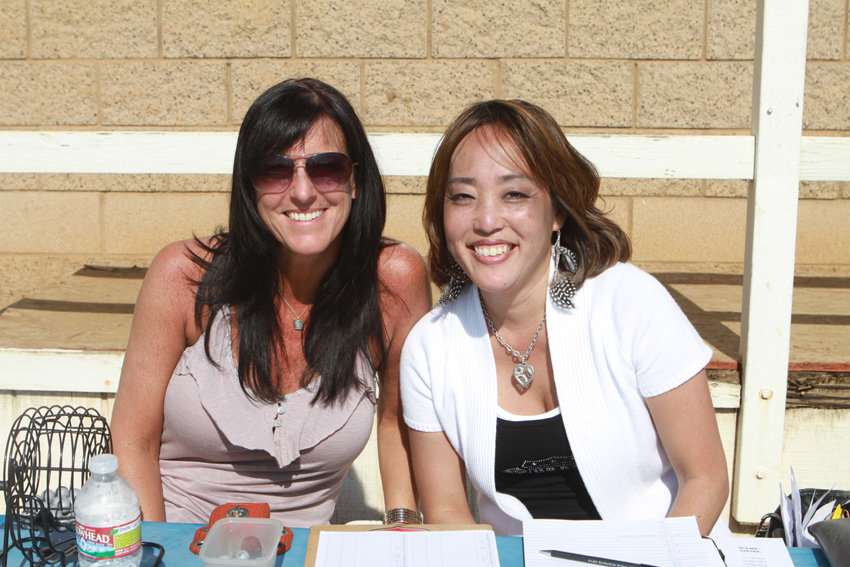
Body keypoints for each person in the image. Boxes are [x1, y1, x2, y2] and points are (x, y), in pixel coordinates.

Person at [400, 99, 729, 536]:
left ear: (557, 211)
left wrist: (658, 561)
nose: (486, 220)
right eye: (463, 197)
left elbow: (705, 480)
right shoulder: (429, 348)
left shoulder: (631, 303)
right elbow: (447, 514)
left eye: (514, 194)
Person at [111, 78, 430, 526]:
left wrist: (402, 526)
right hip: (174, 538)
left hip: (302, 550)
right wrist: (158, 549)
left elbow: (397, 420)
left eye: (327, 168)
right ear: (250, 186)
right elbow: (133, 440)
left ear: (356, 180)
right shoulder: (183, 276)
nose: (302, 192)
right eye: (276, 170)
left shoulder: (393, 280)